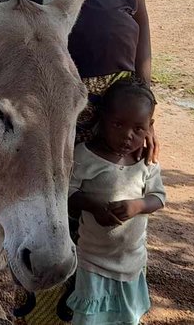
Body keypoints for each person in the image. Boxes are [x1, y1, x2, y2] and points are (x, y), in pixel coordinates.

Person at [2, 0, 160, 319]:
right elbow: (10, 4)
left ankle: (96, 309)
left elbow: (138, 12)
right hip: (54, 90)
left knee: (112, 198)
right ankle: (43, 308)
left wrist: (147, 99)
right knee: (52, 200)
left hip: (117, 92)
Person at [66, 77, 166, 325]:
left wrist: (137, 206)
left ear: (150, 127)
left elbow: (158, 197)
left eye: (138, 129)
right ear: (102, 118)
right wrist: (92, 206)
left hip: (131, 262)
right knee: (89, 318)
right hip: (93, 262)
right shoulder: (85, 156)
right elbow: (66, 191)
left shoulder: (146, 162)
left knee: (126, 318)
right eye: (118, 124)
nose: (127, 136)